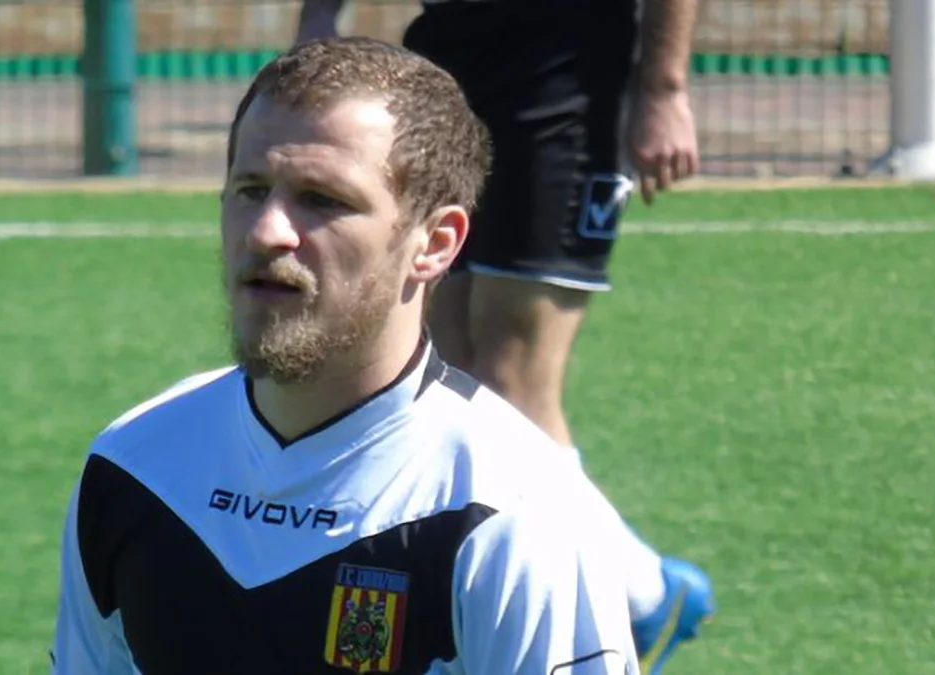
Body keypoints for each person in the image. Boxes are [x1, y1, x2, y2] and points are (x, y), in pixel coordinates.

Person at [51, 36, 642, 675]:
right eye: (250, 189)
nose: (267, 232)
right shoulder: (136, 466)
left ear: (435, 243)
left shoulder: (509, 508)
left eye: (323, 199)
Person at [294, 0, 717, 673]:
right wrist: (319, 15)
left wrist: (662, 89)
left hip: (569, 69)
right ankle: (627, 590)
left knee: (513, 379)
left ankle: (633, 602)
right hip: (447, 57)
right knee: (445, 372)